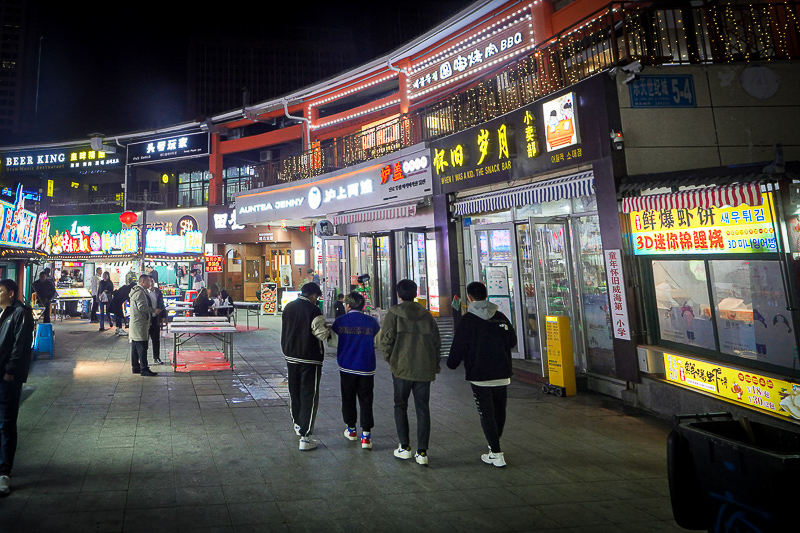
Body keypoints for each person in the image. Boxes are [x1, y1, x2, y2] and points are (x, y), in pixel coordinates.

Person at [447, 281, 517, 468]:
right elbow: (512, 340)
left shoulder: (468, 320)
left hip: (480, 374)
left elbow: (458, 347)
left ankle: (496, 452)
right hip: (502, 372)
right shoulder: (500, 316)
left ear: (469, 298)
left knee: (486, 413)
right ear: (486, 296)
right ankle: (494, 444)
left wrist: (451, 364)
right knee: (499, 409)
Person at [378, 279, 440, 466]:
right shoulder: (427, 315)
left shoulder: (394, 314)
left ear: (398, 294)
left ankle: (404, 447)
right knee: (423, 408)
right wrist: (434, 363)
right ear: (415, 293)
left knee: (400, 405)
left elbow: (386, 340)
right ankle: (422, 452)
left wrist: (392, 360)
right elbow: (437, 342)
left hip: (401, 368)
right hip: (423, 368)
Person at [280, 282, 328, 451]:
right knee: (309, 394)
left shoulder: (289, 307)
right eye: (318, 298)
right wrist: (329, 330)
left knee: (294, 392)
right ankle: (305, 437)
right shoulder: (313, 310)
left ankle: (298, 424)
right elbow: (320, 333)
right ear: (313, 296)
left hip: (291, 356)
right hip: (310, 358)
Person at [332, 291, 380, 450]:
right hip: (366, 367)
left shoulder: (340, 321)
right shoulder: (371, 321)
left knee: (348, 398)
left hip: (347, 366)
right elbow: (376, 338)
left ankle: (351, 430)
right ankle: (366, 436)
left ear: (348, 305)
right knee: (366, 400)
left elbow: (333, 338)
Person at [0, 279, 34, 496]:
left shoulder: (21, 313)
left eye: (0, 290)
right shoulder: (3, 313)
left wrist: (10, 371)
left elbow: (20, 345)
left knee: (6, 423)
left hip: (7, 378)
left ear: (11, 293)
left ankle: (4, 472)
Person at [129, 274, 161, 377]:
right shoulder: (140, 292)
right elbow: (142, 307)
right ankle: (144, 368)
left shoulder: (136, 291)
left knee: (135, 346)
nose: (150, 283)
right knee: (142, 346)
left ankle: (135, 367)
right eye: (148, 281)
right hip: (140, 323)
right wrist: (153, 310)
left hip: (136, 323)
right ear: (142, 282)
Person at [147, 277, 166, 365]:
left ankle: (156, 357)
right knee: (144, 340)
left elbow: (161, 304)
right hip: (146, 319)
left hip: (155, 319)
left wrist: (163, 316)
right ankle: (143, 359)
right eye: (149, 282)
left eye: (152, 282)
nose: (151, 284)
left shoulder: (158, 292)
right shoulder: (144, 292)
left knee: (156, 339)